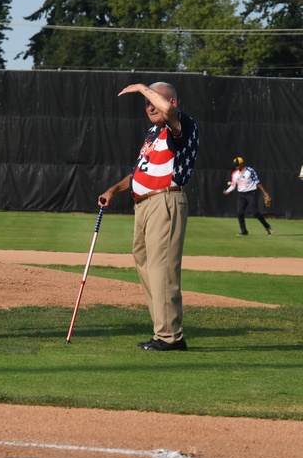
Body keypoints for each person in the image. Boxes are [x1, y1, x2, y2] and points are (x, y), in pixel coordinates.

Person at [98, 82, 199, 352]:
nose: (150, 106)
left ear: (173, 103)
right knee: (145, 265)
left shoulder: (181, 124)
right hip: (143, 204)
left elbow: (166, 109)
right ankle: (161, 330)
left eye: (154, 100)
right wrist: (114, 190)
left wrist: (142, 87)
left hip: (165, 200)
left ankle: (170, 337)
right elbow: (139, 171)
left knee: (161, 268)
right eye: (146, 102)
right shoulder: (154, 132)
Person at [223, 157, 273, 236]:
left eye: (238, 165)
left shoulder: (250, 171)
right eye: (236, 165)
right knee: (240, 212)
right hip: (241, 195)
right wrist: (227, 191)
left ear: (242, 164)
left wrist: (265, 193)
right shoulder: (235, 174)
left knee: (255, 212)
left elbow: (257, 182)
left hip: (250, 193)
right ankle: (244, 231)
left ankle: (267, 226)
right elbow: (233, 185)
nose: (237, 167)